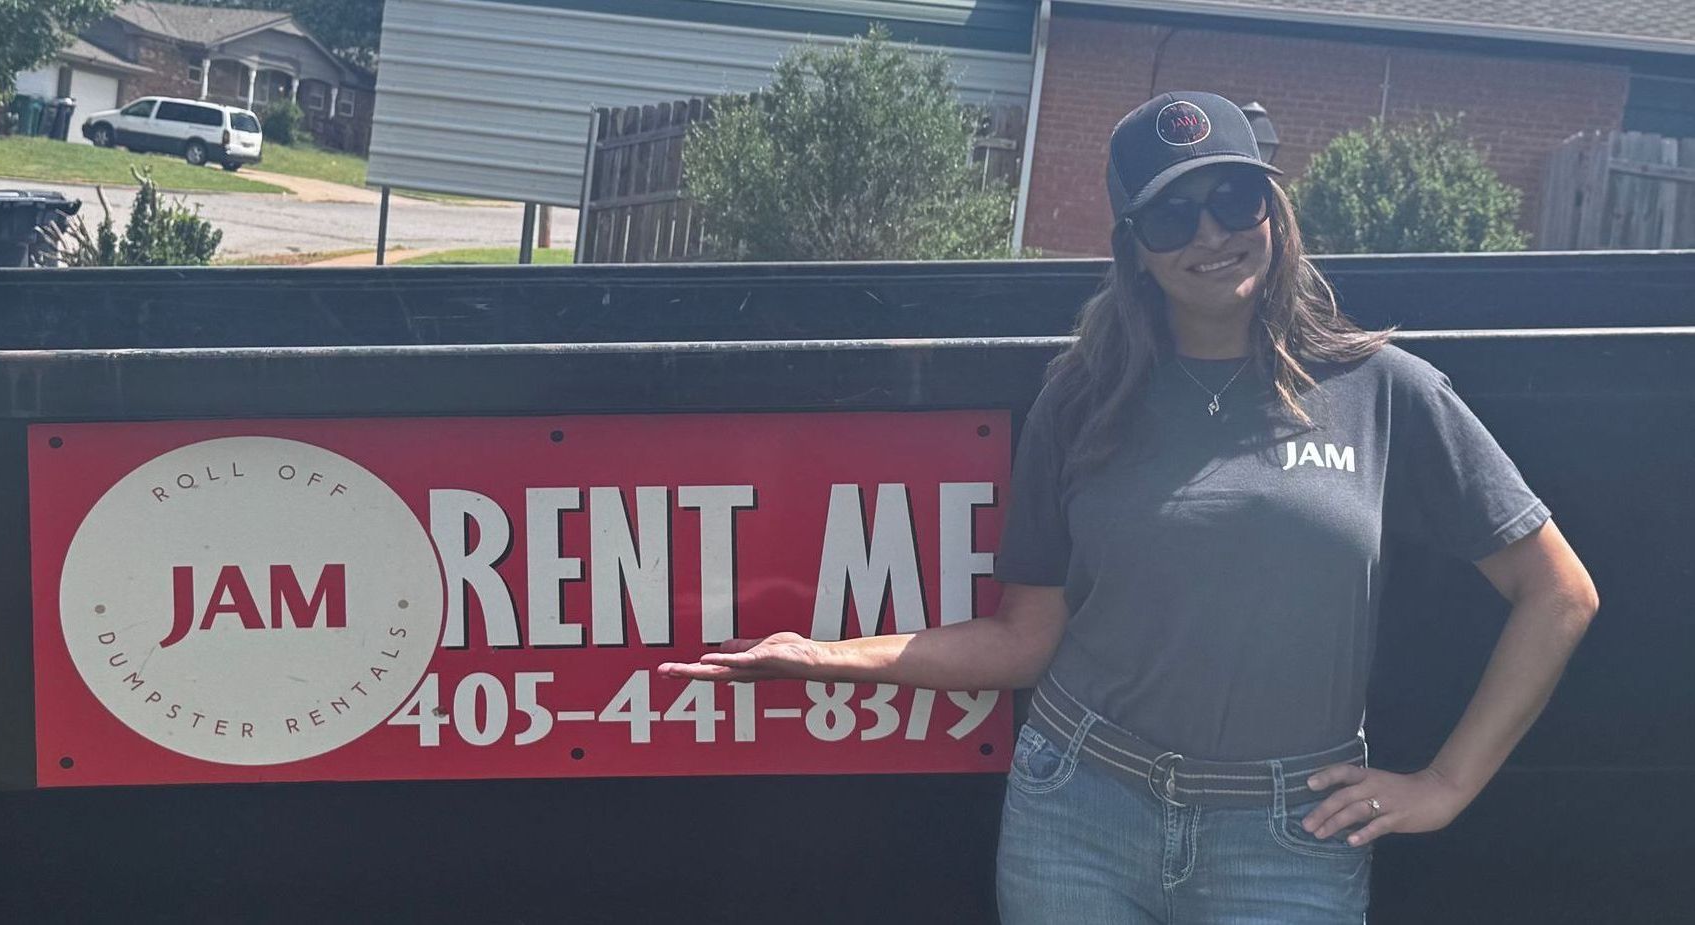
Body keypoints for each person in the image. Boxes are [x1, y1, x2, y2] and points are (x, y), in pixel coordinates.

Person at [657, 90, 1599, 923]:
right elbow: (1024, 639)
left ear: (1273, 212)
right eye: (1170, 215)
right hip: (1079, 807)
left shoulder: (1383, 390)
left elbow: (1557, 593)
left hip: (1286, 833)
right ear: (1132, 251)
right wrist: (820, 657)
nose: (1208, 234)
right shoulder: (1083, 396)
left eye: (1234, 199)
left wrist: (1443, 783)